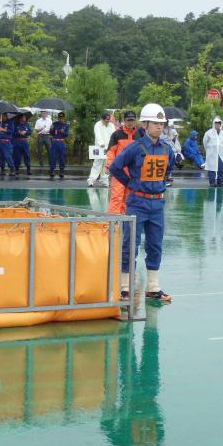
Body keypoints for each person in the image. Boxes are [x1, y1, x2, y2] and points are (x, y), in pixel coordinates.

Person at [109, 103, 174, 302]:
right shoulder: (134, 148)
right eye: (155, 123)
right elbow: (115, 167)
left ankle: (153, 286)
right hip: (137, 203)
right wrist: (131, 183)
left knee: (155, 244)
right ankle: (125, 287)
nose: (159, 127)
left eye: (161, 123)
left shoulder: (167, 149)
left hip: (157, 204)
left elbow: (168, 170)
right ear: (144, 124)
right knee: (131, 244)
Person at [106, 110, 139, 214]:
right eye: (128, 120)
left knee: (129, 198)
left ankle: (125, 222)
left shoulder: (138, 136)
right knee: (116, 197)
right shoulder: (117, 135)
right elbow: (111, 152)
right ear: (124, 120)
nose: (130, 122)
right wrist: (109, 166)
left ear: (135, 121)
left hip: (133, 172)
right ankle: (112, 222)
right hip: (118, 171)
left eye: (132, 120)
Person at [88, 113, 114, 187]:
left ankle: (104, 181)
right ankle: (91, 180)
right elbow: (98, 135)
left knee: (106, 165)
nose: (107, 122)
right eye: (106, 120)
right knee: (97, 164)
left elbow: (113, 135)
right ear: (102, 119)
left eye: (108, 120)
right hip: (99, 147)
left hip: (109, 147)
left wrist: (112, 145)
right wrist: (101, 144)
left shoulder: (111, 125)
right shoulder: (97, 125)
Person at [203, 117, 223, 187]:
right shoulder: (208, 132)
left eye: (219, 124)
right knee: (212, 168)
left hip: (220, 153)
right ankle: (212, 182)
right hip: (211, 153)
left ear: (221, 124)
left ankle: (220, 181)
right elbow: (205, 142)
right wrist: (208, 150)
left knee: (220, 168)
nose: (217, 125)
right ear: (214, 124)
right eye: (216, 124)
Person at [48, 112, 69, 179]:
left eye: (62, 118)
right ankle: (52, 170)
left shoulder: (66, 125)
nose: (61, 119)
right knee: (53, 157)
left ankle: (61, 171)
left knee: (62, 157)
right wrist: (51, 128)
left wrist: (63, 132)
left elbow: (66, 134)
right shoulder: (54, 124)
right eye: (59, 118)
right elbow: (51, 133)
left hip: (61, 142)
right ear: (58, 118)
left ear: (64, 118)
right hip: (54, 142)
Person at [0, 112, 15, 177]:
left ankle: (12, 169)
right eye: (2, 115)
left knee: (7, 156)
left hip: (6, 142)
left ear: (6, 115)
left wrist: (3, 129)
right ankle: (2, 169)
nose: (3, 116)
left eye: (4, 115)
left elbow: (12, 131)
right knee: (0, 156)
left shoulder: (10, 123)